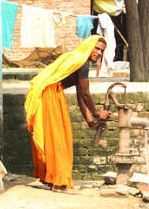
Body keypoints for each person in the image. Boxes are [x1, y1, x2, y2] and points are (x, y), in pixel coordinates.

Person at [25, 36, 109, 193]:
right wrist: (98, 114)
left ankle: (51, 179)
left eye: (101, 51)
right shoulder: (81, 62)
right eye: (96, 48)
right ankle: (60, 183)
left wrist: (91, 122)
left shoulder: (78, 60)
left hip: (47, 92)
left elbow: (80, 96)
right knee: (59, 139)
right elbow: (85, 94)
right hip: (49, 93)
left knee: (51, 138)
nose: (98, 52)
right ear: (89, 46)